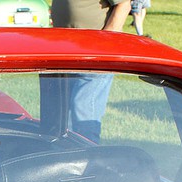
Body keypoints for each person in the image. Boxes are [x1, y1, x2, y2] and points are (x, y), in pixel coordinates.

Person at [51, 0, 130, 143]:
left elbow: (124, 4)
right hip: (64, 51)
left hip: (94, 53)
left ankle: (90, 159)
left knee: (83, 106)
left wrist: (106, 42)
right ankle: (67, 158)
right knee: (59, 118)